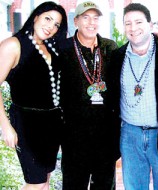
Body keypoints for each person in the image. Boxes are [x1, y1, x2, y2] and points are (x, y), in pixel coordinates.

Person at [106, 3, 158, 190]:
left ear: (150, 24)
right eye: (128, 23)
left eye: (139, 22)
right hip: (130, 135)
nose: (133, 28)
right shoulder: (116, 56)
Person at [0, 1, 67, 190]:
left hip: (50, 124)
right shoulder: (14, 44)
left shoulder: (50, 47)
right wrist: (6, 126)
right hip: (26, 123)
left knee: (44, 182)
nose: (51, 27)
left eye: (56, 24)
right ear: (35, 16)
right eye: (48, 18)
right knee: (35, 184)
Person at [58, 1, 120, 189]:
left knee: (104, 185)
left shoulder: (110, 47)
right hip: (74, 135)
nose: (91, 22)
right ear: (76, 21)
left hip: (105, 135)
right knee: (74, 184)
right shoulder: (63, 49)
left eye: (95, 18)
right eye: (86, 17)